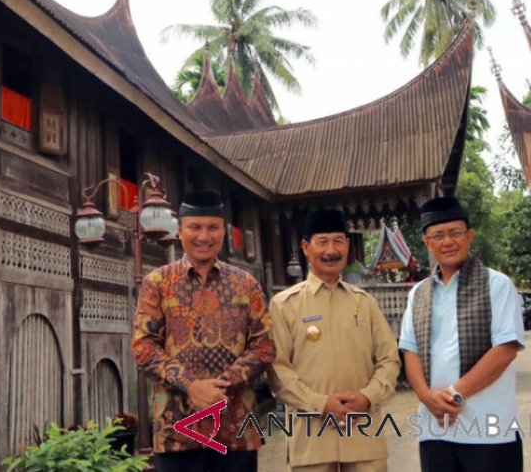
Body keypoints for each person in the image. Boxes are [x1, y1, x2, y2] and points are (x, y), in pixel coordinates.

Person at [132, 190, 275, 472]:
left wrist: (218, 387)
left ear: (223, 231)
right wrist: (191, 386)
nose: (204, 236)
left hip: (236, 429)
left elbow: (264, 347)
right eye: (195, 227)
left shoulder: (246, 284)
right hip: (177, 431)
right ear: (180, 230)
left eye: (213, 228)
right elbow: (144, 347)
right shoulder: (158, 283)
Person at [398, 196, 524, 472]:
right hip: (435, 430)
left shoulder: (497, 285)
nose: (448, 242)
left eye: (455, 233)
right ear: (427, 243)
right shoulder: (418, 293)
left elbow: (505, 349)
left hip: (490, 429)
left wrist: (455, 395)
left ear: (470, 236)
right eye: (438, 235)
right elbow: (410, 350)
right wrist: (424, 395)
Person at [268, 209, 400, 472]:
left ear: (347, 246)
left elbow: (390, 358)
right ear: (306, 247)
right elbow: (277, 369)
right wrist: (320, 403)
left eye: (339, 241)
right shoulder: (284, 305)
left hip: (364, 433)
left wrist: (367, 396)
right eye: (323, 241)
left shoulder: (365, 303)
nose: (331, 250)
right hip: (312, 439)